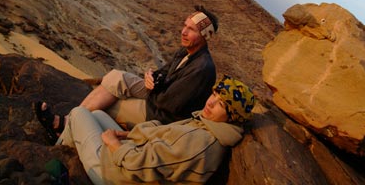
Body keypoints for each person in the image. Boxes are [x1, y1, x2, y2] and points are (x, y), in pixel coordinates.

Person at [36, 6, 219, 143]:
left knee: (106, 105)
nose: (183, 32)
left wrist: (150, 89)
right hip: (157, 94)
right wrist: (151, 76)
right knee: (115, 77)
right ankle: (65, 123)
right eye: (185, 25)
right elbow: (163, 72)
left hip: (159, 115)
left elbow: (168, 104)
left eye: (191, 30)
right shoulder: (186, 51)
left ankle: (61, 134)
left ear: (205, 36)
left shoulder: (202, 68)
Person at [57, 75, 256, 184]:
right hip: (133, 156)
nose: (211, 103)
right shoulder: (205, 123)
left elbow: (140, 167)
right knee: (99, 116)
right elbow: (162, 136)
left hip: (117, 176)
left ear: (231, 117)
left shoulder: (201, 141)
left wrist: (115, 144)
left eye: (221, 104)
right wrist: (127, 134)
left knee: (79, 113)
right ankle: (68, 148)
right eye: (215, 95)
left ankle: (58, 151)